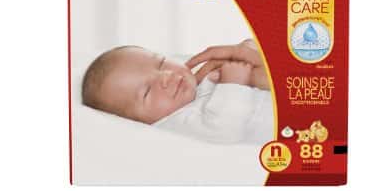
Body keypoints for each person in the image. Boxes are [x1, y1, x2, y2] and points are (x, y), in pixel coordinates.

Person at [82, 42, 272, 144]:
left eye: (161, 63)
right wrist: (233, 83)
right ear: (138, 123)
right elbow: (223, 130)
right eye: (147, 91)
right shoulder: (175, 123)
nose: (166, 76)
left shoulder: (196, 81)